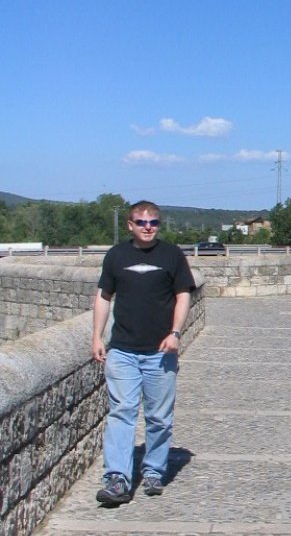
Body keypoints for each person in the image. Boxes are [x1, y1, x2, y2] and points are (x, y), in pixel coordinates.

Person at [92, 200, 195, 505]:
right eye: (141, 222)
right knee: (121, 412)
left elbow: (183, 295)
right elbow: (104, 296)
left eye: (153, 223)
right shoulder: (116, 256)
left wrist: (175, 333)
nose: (148, 228)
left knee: (159, 417)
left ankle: (153, 470)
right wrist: (96, 336)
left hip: (160, 352)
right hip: (122, 350)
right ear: (130, 225)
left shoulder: (172, 255)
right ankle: (117, 479)